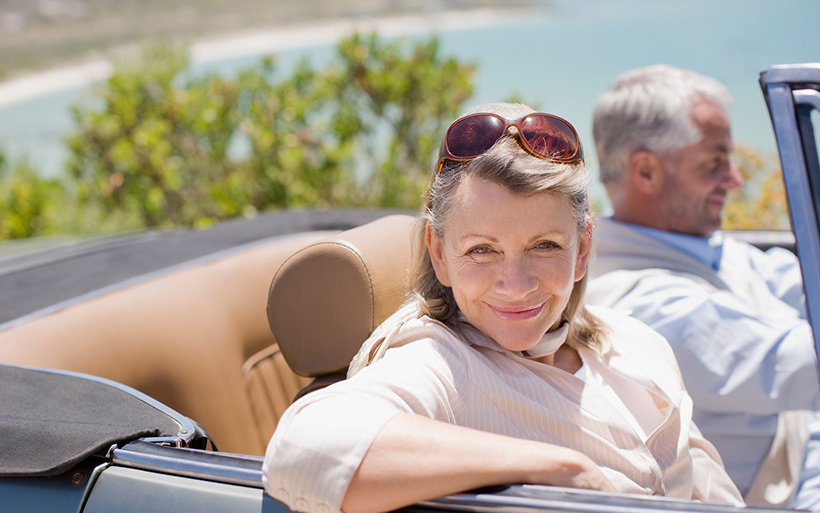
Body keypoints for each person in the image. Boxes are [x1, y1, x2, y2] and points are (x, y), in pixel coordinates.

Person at [262, 102, 743, 513]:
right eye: (481, 250)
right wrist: (559, 467)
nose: (515, 285)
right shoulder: (439, 362)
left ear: (582, 249)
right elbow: (305, 447)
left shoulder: (637, 343)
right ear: (439, 254)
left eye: (545, 245)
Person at [587, 64, 820, 509]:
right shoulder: (643, 304)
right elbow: (802, 362)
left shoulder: (708, 248)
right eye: (715, 162)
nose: (734, 179)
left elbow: (798, 281)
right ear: (646, 171)